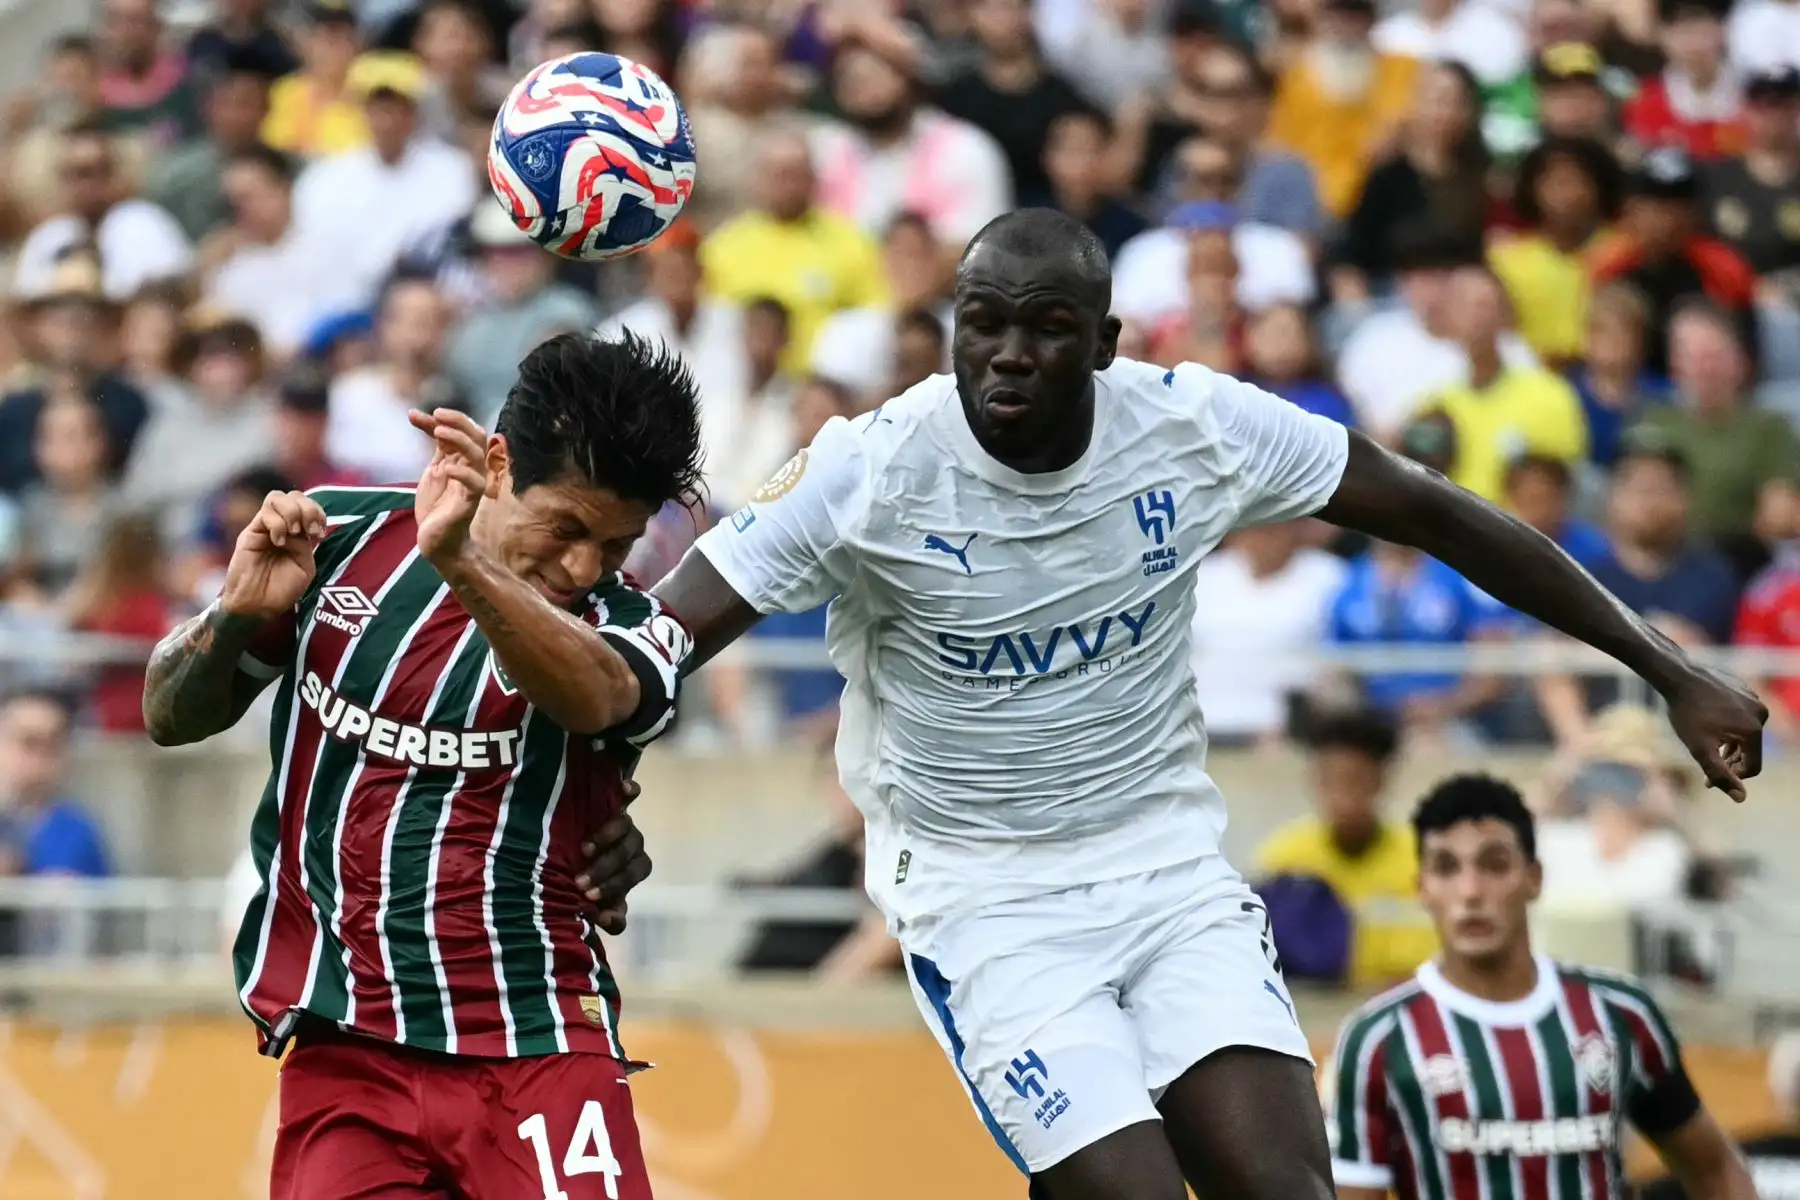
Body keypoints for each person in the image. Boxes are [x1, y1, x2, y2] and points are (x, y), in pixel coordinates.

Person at [648, 207, 1766, 1200]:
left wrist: (1666, 667)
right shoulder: (868, 470)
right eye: (982, 321)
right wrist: (595, 798)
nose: (1008, 354)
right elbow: (655, 647)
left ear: (1106, 343)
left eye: (1046, 328)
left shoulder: (1195, 427)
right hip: (985, 903)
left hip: (1167, 870)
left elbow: (1434, 511)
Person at [139, 331, 702, 1199]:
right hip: (348, 1043)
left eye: (616, 545)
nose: (584, 564)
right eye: (568, 528)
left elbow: (597, 701)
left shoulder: (633, 625)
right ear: (501, 461)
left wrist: (464, 561)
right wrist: (236, 617)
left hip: (540, 1043)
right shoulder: (338, 538)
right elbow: (168, 715)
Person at [1327, 775, 1754, 1200]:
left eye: (1494, 865)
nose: (1471, 892)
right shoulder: (1379, 1039)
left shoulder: (1619, 1013)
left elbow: (1716, 1169)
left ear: (1534, 878)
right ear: (1422, 888)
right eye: (1446, 868)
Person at [1255, 707, 1436, 987]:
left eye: (1354, 780)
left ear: (1381, 780)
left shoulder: (1422, 859)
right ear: (1314, 780)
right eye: (1330, 780)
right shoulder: (1283, 858)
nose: (1342, 797)